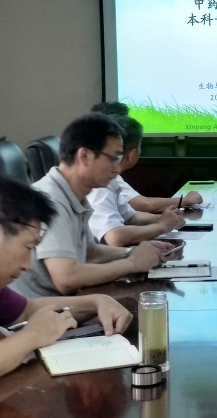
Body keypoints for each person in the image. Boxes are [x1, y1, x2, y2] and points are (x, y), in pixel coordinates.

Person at [0, 174, 133, 394]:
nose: (27, 265)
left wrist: (97, 302)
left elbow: (28, 309)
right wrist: (33, 335)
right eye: (27, 247)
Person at [10, 113, 169, 298]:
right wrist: (132, 263)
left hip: (65, 303)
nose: (117, 169)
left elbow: (89, 253)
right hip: (40, 310)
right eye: (114, 158)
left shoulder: (75, 195)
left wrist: (132, 252)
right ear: (85, 156)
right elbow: (66, 278)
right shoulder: (51, 199)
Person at [87, 115, 185, 246]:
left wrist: (164, 218)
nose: (116, 166)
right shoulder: (98, 184)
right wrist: (161, 226)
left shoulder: (109, 180)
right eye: (114, 157)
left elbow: (131, 217)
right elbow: (115, 237)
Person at [91, 102, 203, 213]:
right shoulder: (104, 176)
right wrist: (185, 200)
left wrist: (163, 219)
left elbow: (131, 216)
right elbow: (143, 205)